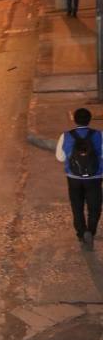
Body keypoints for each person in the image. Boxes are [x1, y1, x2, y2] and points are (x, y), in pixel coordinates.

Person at [56, 107, 103, 250]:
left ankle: (81, 233)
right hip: (95, 177)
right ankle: (91, 231)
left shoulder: (66, 136)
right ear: (90, 120)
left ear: (74, 119)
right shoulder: (99, 135)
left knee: (77, 207)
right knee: (94, 207)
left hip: (74, 177)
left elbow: (60, 157)